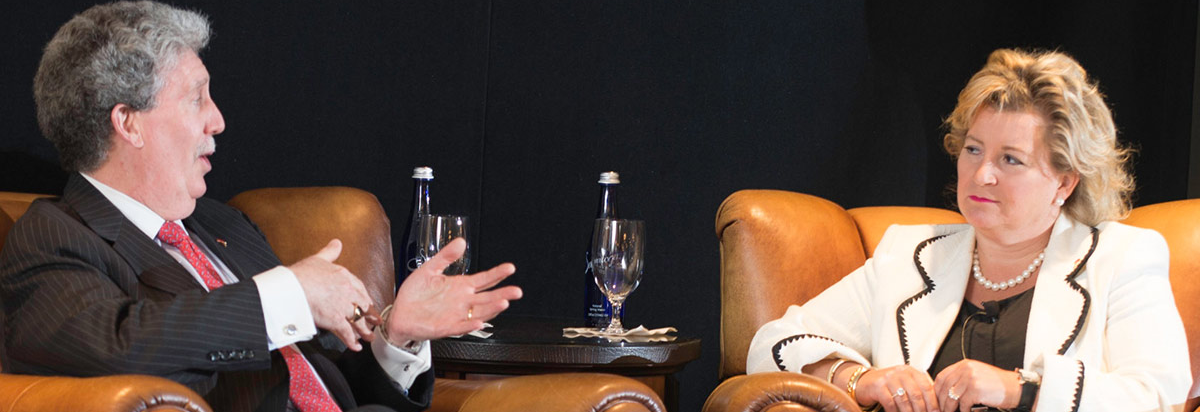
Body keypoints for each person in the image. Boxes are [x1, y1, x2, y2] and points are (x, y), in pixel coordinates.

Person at [0, 2, 522, 411]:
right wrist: (288, 295)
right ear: (128, 122)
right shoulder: (52, 237)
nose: (218, 121)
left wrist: (396, 336)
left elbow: (327, 387)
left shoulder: (223, 224)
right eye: (197, 98)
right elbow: (117, 350)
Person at [747, 49, 1192, 412]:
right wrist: (861, 378)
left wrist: (1021, 389)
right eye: (973, 150)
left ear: (1064, 181)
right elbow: (771, 343)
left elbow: (1159, 394)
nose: (981, 175)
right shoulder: (909, 254)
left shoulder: (1122, 257)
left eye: (1010, 159)